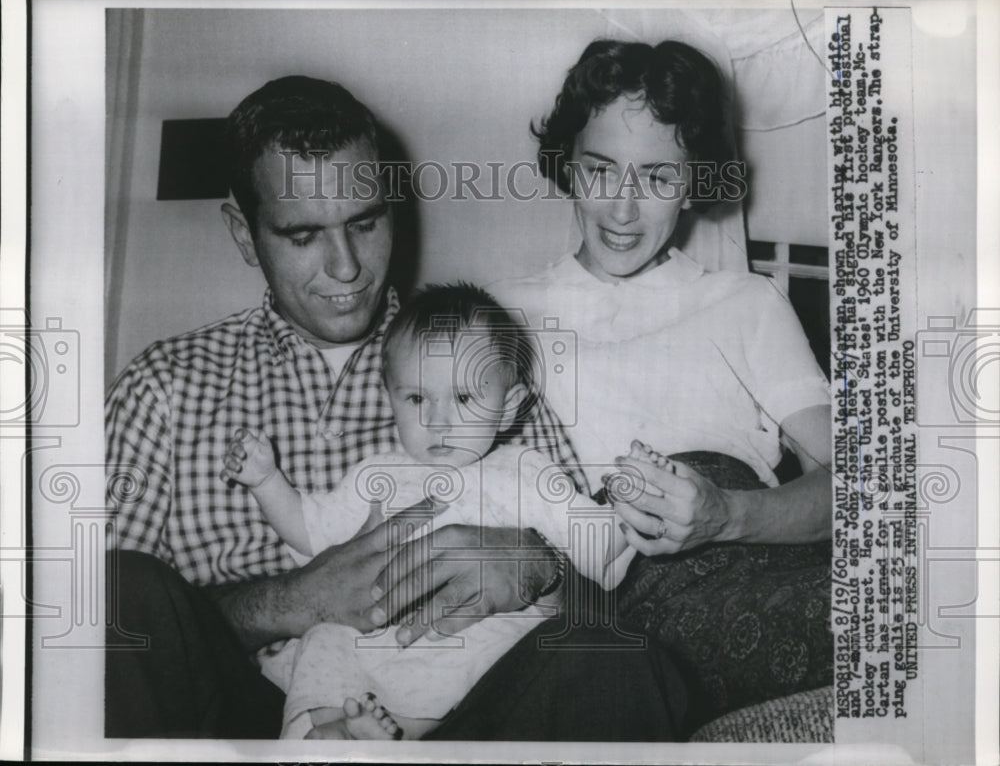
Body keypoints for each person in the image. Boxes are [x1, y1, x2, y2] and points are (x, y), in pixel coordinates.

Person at [105, 74, 687, 740]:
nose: (347, 265)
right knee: (116, 586)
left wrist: (539, 571)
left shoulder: (479, 362)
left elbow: (602, 599)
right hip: (254, 712)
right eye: (302, 235)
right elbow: (95, 627)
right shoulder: (166, 385)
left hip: (463, 715)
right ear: (245, 232)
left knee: (617, 665)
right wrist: (288, 602)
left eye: (365, 221)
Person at [492, 39, 833, 727]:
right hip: (611, 605)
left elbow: (861, 487)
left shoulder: (747, 301)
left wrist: (728, 515)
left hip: (761, 562)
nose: (622, 209)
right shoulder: (504, 317)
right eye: (600, 169)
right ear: (568, 164)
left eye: (655, 177)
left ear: (694, 180)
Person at [222, 283, 634, 739]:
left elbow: (598, 545)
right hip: (375, 634)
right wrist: (266, 482)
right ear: (390, 398)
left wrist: (630, 504)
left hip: (472, 634)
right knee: (322, 640)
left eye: (463, 399)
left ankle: (393, 734)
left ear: (509, 406)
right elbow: (310, 531)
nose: (439, 421)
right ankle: (315, 736)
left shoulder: (526, 472)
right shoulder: (376, 475)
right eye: (417, 399)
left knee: (490, 648)